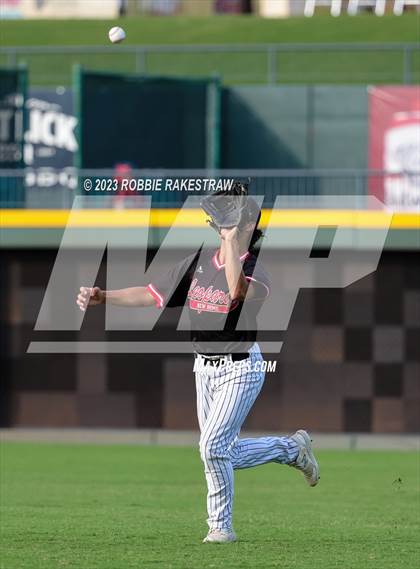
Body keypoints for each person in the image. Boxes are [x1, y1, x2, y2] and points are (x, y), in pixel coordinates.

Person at [76, 181, 320, 543]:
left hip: (241, 367)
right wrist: (103, 296)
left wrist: (234, 240)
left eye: (233, 220)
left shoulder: (257, 271)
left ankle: (220, 527)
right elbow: (151, 294)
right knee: (222, 451)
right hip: (202, 367)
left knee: (211, 448)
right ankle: (291, 449)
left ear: (247, 228)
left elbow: (236, 293)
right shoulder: (198, 262)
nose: (223, 223)